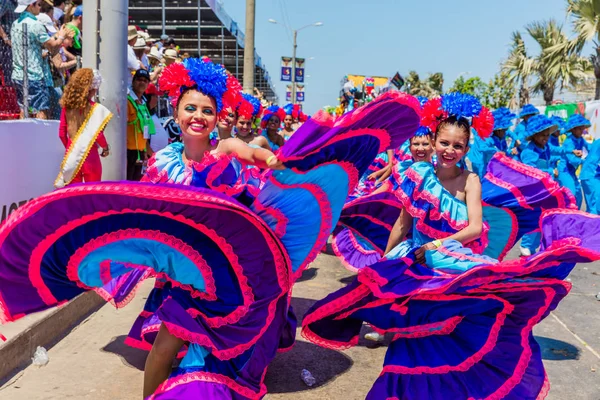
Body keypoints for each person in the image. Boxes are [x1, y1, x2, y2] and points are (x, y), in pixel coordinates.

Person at [301, 93, 596, 400]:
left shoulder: (471, 181)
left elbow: (474, 228)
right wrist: (384, 260)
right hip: (414, 260)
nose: (449, 150)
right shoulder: (416, 174)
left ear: (466, 148)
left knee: (462, 329)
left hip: (450, 260)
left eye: (457, 146)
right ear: (433, 141)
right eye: (444, 143)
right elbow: (403, 224)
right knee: (408, 336)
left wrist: (436, 245)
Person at [11, 0, 70, 119]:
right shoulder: (35, 24)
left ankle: (23, 134)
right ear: (30, 6)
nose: (40, 7)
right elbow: (53, 47)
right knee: (42, 110)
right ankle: (40, 136)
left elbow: (34, 44)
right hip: (34, 76)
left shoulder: (15, 23)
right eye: (38, 4)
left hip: (18, 75)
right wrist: (62, 36)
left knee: (24, 108)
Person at [55, 68, 111, 187]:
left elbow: (61, 134)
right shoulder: (95, 108)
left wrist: (71, 148)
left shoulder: (67, 107)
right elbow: (98, 135)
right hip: (90, 157)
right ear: (93, 88)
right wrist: (105, 148)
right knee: (92, 194)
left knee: (74, 195)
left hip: (71, 156)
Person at [126, 68, 155, 181]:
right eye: (139, 79)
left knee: (136, 187)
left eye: (145, 80)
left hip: (140, 153)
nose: (142, 82)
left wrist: (149, 153)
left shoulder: (143, 103)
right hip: (128, 154)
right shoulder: (127, 100)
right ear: (133, 81)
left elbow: (144, 132)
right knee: (127, 186)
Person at [558, 114, 590, 208]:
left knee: (579, 195)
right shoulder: (568, 142)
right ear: (573, 129)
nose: (582, 131)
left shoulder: (580, 139)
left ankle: (575, 216)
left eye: (582, 128)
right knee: (571, 195)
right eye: (579, 129)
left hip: (572, 172)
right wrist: (586, 162)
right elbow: (572, 160)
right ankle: (567, 217)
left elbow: (589, 147)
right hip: (564, 171)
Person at [580, 136, 600, 214]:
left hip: (589, 175)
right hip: (591, 175)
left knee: (592, 206)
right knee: (595, 207)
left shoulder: (597, 141)